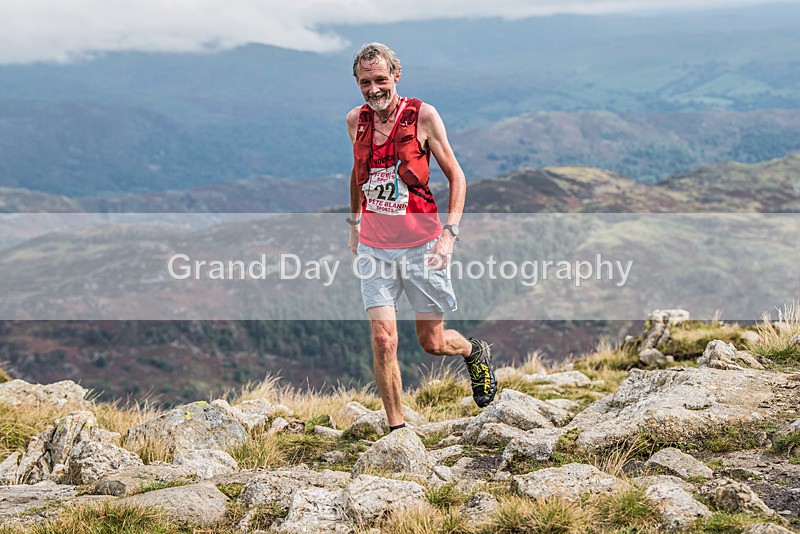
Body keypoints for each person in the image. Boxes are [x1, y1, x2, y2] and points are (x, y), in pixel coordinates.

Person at [345, 42, 497, 432]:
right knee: (384, 339)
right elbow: (357, 172)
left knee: (432, 342)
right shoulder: (355, 121)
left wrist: (449, 233)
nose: (374, 89)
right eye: (366, 82)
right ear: (357, 83)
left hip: (421, 245)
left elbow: (457, 176)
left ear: (397, 75)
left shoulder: (423, 116)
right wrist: (354, 222)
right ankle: (397, 430)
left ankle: (472, 350)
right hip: (375, 248)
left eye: (381, 79)